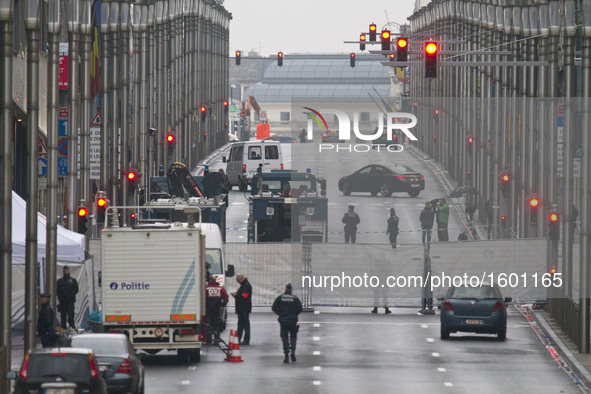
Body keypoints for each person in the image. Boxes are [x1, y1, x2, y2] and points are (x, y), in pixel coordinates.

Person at [272, 283, 302, 363]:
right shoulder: (295, 298)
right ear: (291, 290)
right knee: (293, 336)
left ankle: (286, 355)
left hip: (283, 320)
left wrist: (280, 314)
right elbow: (300, 308)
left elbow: (274, 307)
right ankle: (293, 351)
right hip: (292, 320)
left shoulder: (280, 298)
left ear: (285, 289)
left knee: (284, 337)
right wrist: (294, 315)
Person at [205, 275, 229, 344]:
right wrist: (222, 305)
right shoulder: (220, 289)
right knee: (216, 325)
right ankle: (216, 339)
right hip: (217, 310)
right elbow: (226, 298)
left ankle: (208, 340)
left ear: (210, 280)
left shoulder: (207, 289)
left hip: (208, 310)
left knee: (208, 324)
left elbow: (203, 299)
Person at [231, 274, 252, 345]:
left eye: (238, 281)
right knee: (241, 324)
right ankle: (239, 338)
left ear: (241, 279)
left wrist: (236, 295)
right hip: (242, 308)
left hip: (244, 308)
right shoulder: (244, 285)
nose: (238, 282)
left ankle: (246, 339)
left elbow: (246, 295)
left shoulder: (246, 286)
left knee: (245, 324)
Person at [57, 265, 78, 329]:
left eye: (67, 271)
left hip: (70, 301)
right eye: (65, 271)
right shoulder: (60, 281)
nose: (66, 272)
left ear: (69, 271)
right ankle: (63, 328)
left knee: (71, 316)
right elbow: (57, 291)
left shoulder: (73, 280)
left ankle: (72, 327)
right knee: (63, 317)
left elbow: (76, 289)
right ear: (63, 272)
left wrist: (70, 296)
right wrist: (61, 298)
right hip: (63, 302)